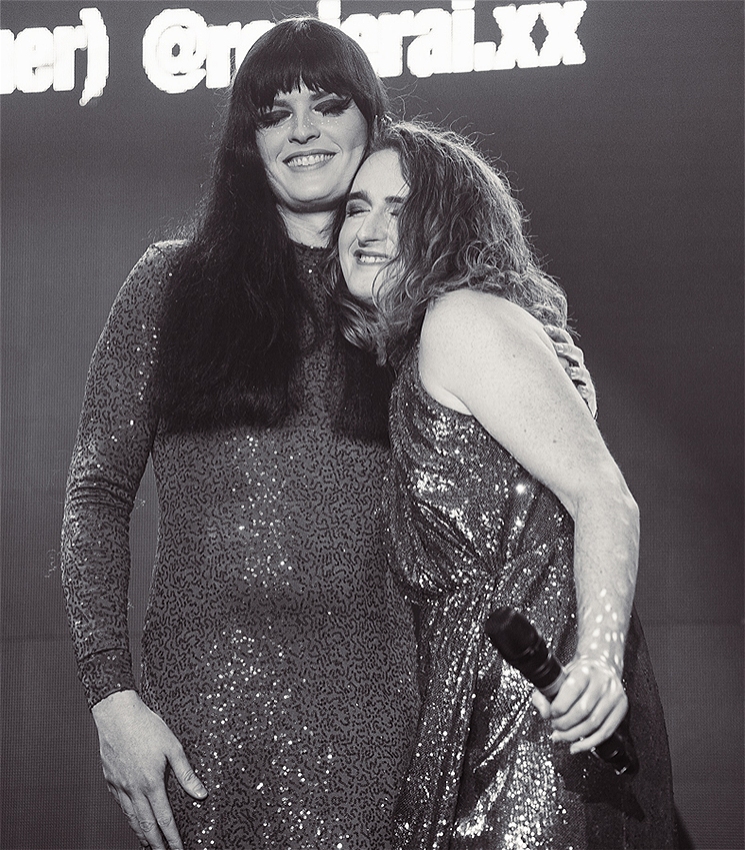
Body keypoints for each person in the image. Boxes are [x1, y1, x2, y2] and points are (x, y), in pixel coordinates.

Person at [61, 17, 596, 850]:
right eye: (275, 112)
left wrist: (565, 376)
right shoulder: (169, 284)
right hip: (203, 726)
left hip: (390, 723)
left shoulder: (428, 314)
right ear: (249, 142)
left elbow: (540, 501)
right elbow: (95, 495)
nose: (302, 129)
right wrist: (110, 696)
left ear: (369, 122)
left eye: (327, 103)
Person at [332, 122, 676, 848]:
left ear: (445, 226)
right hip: (489, 692)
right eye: (357, 206)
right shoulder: (429, 342)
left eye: (398, 208)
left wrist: (595, 662)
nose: (367, 227)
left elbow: (604, 497)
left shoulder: (458, 319)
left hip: (541, 700)